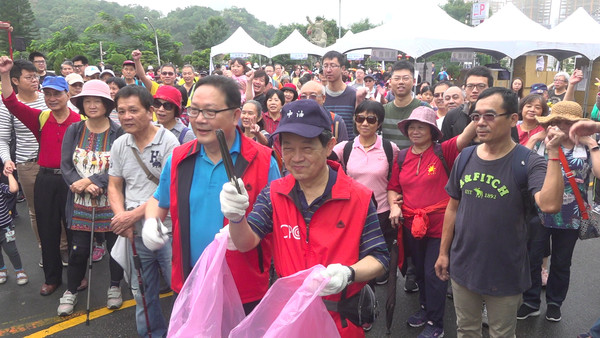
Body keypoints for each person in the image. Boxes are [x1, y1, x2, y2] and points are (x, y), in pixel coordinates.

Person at [220, 99, 389, 337]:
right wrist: (236, 218)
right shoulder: (274, 193)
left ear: (329, 145)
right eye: (288, 147)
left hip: (339, 322)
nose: (296, 157)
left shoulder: (358, 197)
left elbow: (379, 258)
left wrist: (347, 273)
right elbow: (246, 242)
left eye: (307, 148)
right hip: (287, 318)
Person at [143, 75, 279, 315]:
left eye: (210, 112)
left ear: (236, 115)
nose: (200, 120)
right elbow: (159, 198)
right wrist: (151, 220)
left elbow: (277, 219)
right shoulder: (179, 158)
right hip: (189, 281)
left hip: (243, 288)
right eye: (194, 111)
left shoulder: (263, 160)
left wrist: (245, 226)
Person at [434, 87, 565, 338]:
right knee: (466, 330)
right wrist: (443, 253)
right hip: (463, 266)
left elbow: (549, 205)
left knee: (501, 333)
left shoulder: (528, 161)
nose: (480, 123)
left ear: (513, 119)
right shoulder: (466, 156)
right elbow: (453, 207)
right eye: (476, 117)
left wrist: (553, 154)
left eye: (490, 116)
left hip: (505, 269)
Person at [387, 106, 476, 337]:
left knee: (434, 271)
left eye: (421, 127)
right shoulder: (403, 156)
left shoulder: (443, 151)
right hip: (411, 225)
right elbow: (393, 188)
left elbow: (466, 136)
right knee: (417, 271)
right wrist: (395, 206)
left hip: (440, 226)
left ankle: (436, 323)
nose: (415, 131)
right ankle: (425, 310)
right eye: (411, 127)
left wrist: (479, 114)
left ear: (432, 131)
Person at [1, 56, 82, 297]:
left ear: (67, 94)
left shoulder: (79, 121)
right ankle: (52, 278)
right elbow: (11, 103)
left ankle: (79, 276)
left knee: (74, 229)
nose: (52, 98)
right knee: (47, 231)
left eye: (57, 93)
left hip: (72, 181)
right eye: (47, 94)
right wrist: (5, 75)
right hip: (44, 179)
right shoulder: (41, 118)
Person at [517, 101, 600, 323]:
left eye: (567, 122)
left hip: (571, 215)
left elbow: (599, 173)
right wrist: (535, 138)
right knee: (532, 259)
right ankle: (531, 301)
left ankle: (554, 303)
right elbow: (518, 165)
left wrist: (592, 142)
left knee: (562, 263)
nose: (560, 126)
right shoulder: (542, 144)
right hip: (539, 212)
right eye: (556, 121)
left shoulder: (584, 146)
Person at [107, 85, 179, 337]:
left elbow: (167, 188)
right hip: (135, 233)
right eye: (121, 111)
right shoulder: (119, 144)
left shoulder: (169, 141)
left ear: (149, 111)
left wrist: (131, 216)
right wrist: (121, 218)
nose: (126, 116)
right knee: (142, 291)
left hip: (167, 229)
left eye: (133, 110)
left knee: (179, 288)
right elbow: (114, 186)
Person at [57, 80, 124, 316]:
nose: (92, 105)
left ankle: (115, 286)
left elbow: (120, 166)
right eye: (88, 101)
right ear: (82, 104)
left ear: (107, 104)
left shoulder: (119, 132)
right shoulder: (75, 130)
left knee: (114, 247)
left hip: (112, 202)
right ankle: (71, 290)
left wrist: (94, 181)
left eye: (97, 101)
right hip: (79, 203)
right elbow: (65, 165)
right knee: (78, 250)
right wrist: (81, 184)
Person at [331, 100, 400, 282]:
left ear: (379, 123)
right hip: (353, 211)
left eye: (371, 119)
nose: (364, 123)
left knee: (377, 259)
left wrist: (396, 205)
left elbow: (396, 181)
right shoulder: (344, 148)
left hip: (381, 212)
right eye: (360, 118)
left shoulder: (389, 148)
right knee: (355, 255)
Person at [0, 60, 48, 266]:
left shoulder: (49, 99)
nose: (35, 81)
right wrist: (7, 159)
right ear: (15, 81)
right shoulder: (6, 105)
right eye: (29, 77)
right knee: (36, 210)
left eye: (36, 76)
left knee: (60, 207)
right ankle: (44, 249)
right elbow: (2, 138)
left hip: (54, 162)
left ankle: (63, 248)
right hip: (27, 165)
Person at [383, 60, 428, 149]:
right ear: (390, 82)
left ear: (414, 81)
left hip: (416, 161)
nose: (401, 82)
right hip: (390, 161)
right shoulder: (383, 111)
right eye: (397, 78)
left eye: (405, 78)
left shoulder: (424, 108)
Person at [441, 66, 493, 142]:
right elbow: (444, 148)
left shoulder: (500, 115)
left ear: (490, 88)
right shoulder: (452, 115)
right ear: (464, 88)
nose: (475, 90)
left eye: (481, 86)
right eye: (470, 86)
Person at [323, 51, 366, 139]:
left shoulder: (354, 95)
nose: (328, 70)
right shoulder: (320, 95)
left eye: (333, 65)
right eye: (325, 66)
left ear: (342, 69)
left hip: (348, 148)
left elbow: (361, 126)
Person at [0, 166, 28, 286]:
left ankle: (19, 270)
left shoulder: (1, 187)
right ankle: (2, 269)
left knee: (11, 250)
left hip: (5, 226)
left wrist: (9, 174)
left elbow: (14, 189)